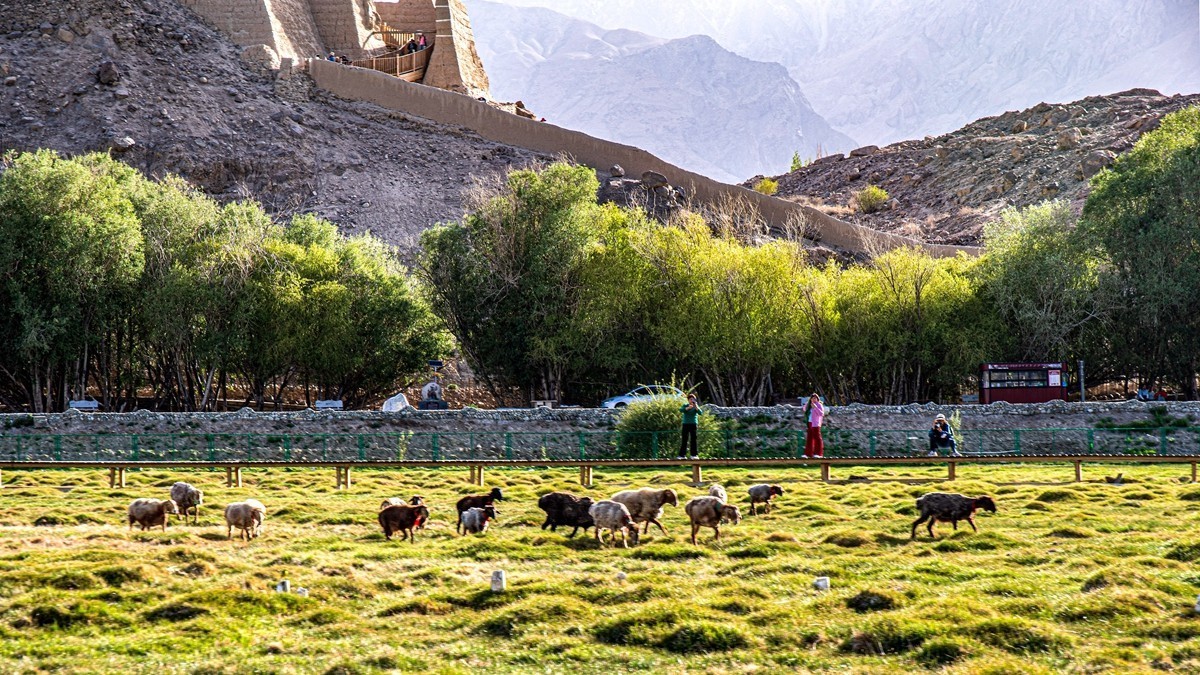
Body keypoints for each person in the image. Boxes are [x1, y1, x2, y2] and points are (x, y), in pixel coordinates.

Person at [678, 394, 702, 460]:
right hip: (685, 424)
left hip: (693, 424)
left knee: (693, 440)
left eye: (693, 399)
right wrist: (688, 408)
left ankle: (694, 455)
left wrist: (696, 407)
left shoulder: (696, 406)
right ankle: (682, 455)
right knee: (684, 439)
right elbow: (681, 410)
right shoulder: (685, 405)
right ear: (688, 400)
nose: (692, 400)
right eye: (690, 399)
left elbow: (700, 413)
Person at [803, 393, 825, 458]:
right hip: (810, 423)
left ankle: (818, 454)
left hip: (816, 424)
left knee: (817, 438)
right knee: (809, 438)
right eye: (812, 398)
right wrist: (808, 404)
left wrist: (815, 408)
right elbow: (804, 409)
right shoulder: (809, 405)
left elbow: (821, 414)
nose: (814, 399)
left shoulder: (819, 405)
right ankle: (808, 454)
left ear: (817, 399)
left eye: (815, 398)